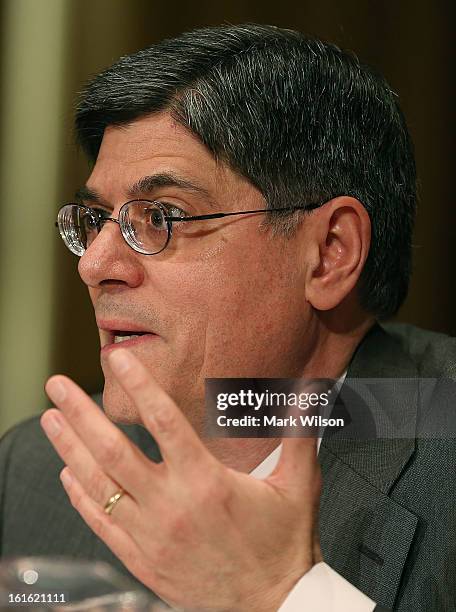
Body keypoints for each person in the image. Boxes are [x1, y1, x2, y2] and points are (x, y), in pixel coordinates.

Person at [0, 23, 454, 611]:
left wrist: (281, 594)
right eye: (98, 220)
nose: (95, 265)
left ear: (329, 254)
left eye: (161, 215)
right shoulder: (37, 471)